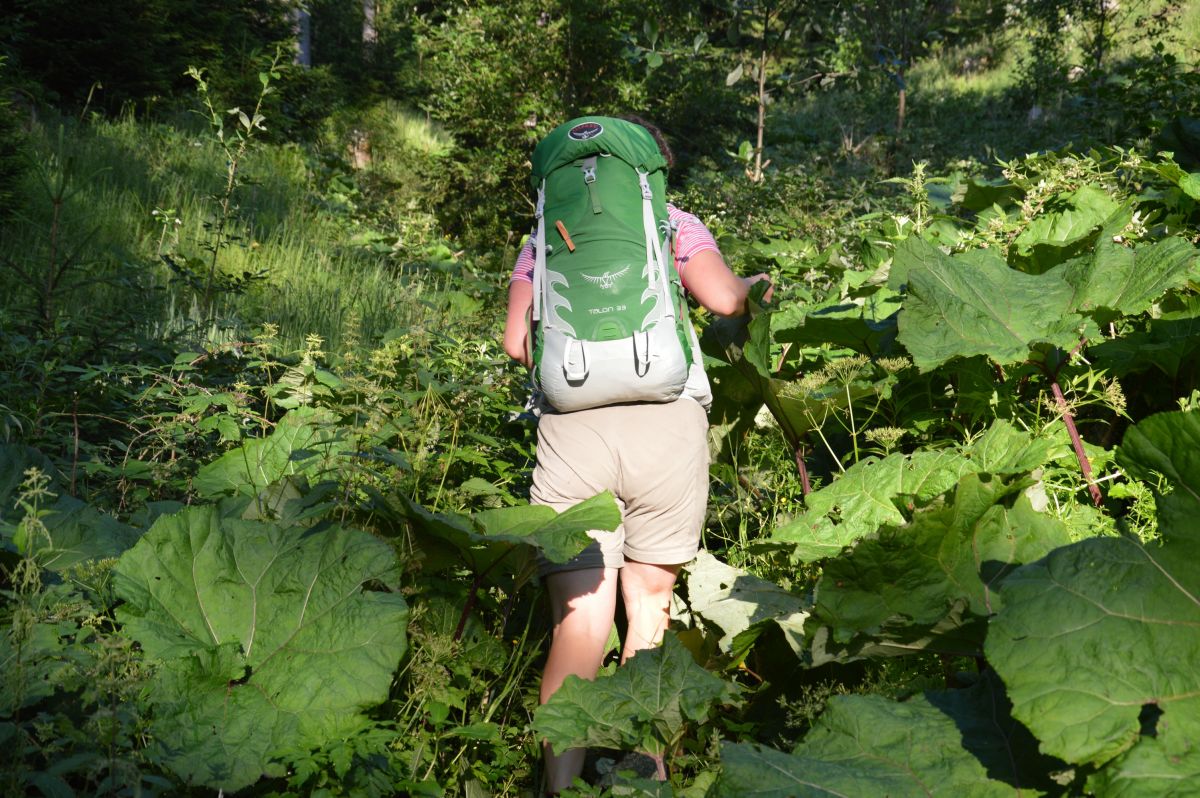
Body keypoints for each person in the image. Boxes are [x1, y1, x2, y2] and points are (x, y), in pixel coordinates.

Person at [502, 116, 770, 794]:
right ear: (655, 171)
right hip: (666, 425)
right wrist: (754, 293)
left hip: (573, 432)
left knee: (579, 618)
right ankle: (643, 780)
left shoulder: (544, 234)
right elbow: (723, 298)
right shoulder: (675, 225)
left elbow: (515, 342)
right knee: (647, 612)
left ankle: (559, 785)